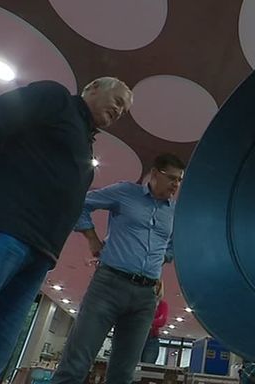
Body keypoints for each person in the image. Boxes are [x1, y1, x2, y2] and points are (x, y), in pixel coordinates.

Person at [0, 77, 133, 383]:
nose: (120, 110)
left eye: (124, 110)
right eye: (117, 100)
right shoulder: (55, 98)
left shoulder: (84, 144)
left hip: (38, 257)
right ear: (93, 88)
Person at [50, 152, 185, 384]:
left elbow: (174, 243)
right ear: (154, 174)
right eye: (171, 178)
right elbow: (81, 204)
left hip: (145, 297)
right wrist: (92, 239)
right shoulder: (125, 192)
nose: (176, 185)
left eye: (179, 180)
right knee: (76, 364)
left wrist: (161, 258)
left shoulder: (174, 212)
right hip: (108, 287)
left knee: (123, 375)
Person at [141, 280, 168, 364]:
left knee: (148, 368)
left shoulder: (162, 304)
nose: (154, 288)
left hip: (151, 338)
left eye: (157, 286)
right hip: (137, 336)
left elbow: (162, 321)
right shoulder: (140, 301)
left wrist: (144, 321)